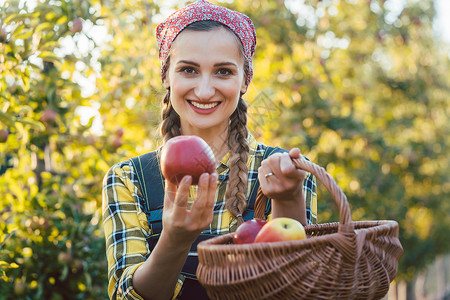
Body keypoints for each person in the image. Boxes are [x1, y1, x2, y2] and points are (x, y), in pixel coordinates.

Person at [102, 1, 317, 299]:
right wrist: (174, 241)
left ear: (246, 80)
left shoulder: (286, 172)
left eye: (223, 72)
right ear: (166, 76)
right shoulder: (129, 180)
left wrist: (288, 198)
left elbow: (299, 288)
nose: (204, 91)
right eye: (188, 69)